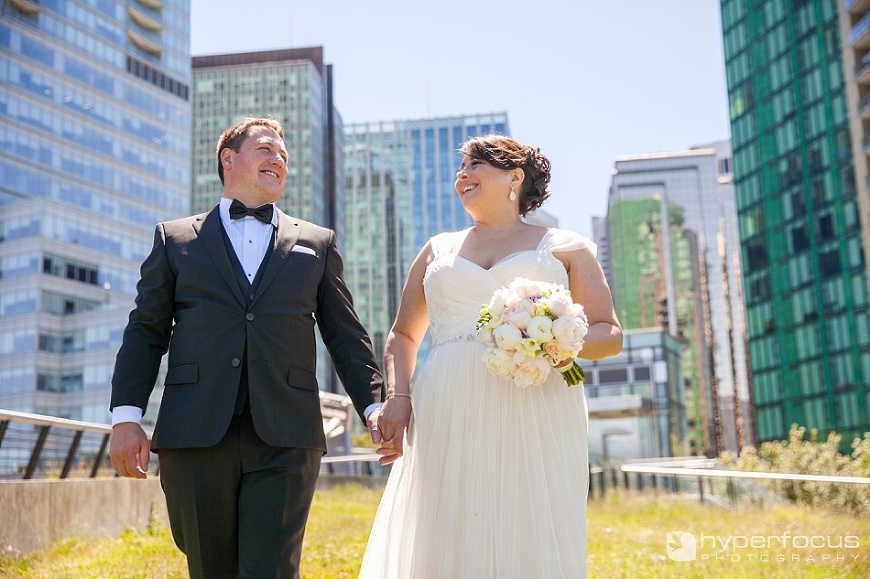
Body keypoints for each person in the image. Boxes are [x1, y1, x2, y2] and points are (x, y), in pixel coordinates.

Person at [108, 117, 383, 579]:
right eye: (266, 148)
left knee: (271, 571)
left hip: (286, 434)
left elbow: (345, 334)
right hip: (194, 432)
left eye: (284, 155)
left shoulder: (316, 243)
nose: (278, 158)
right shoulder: (174, 239)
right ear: (228, 159)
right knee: (209, 569)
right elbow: (145, 332)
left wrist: (373, 406)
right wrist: (125, 419)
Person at [359, 134, 623, 578]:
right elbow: (403, 334)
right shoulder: (437, 250)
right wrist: (398, 398)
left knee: (530, 520)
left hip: (537, 396)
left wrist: (558, 340)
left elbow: (609, 334)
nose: (463, 175)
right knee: (445, 519)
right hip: (448, 399)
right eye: (460, 168)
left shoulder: (566, 245)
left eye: (477, 164)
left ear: (514, 178)